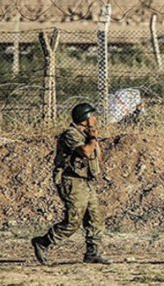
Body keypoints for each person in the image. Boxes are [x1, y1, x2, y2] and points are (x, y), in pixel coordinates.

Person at [31, 103, 110, 265]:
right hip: (71, 181)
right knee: (73, 221)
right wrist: (93, 138)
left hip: (86, 181)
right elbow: (86, 152)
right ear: (85, 118)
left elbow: (97, 156)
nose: (95, 118)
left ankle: (92, 252)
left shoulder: (86, 134)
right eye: (92, 116)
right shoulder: (70, 134)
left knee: (95, 217)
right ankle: (43, 242)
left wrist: (93, 138)